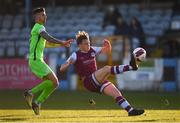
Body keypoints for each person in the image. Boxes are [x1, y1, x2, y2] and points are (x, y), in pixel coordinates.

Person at [60, 31, 144, 116]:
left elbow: (106, 50)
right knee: (106, 69)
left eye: (89, 42)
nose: (88, 45)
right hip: (89, 82)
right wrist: (68, 63)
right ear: (79, 45)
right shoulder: (75, 55)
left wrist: (108, 46)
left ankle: (130, 110)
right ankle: (131, 67)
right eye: (86, 43)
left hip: (97, 79)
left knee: (116, 93)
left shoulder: (92, 49)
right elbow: (61, 68)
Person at [23, 7, 73, 115]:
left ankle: (37, 103)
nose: (45, 16)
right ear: (36, 17)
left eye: (45, 14)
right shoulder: (39, 27)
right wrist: (62, 42)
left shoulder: (38, 29)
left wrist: (62, 44)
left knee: (54, 83)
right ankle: (30, 93)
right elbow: (48, 38)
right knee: (55, 81)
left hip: (35, 60)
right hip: (36, 60)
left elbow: (48, 43)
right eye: (42, 15)